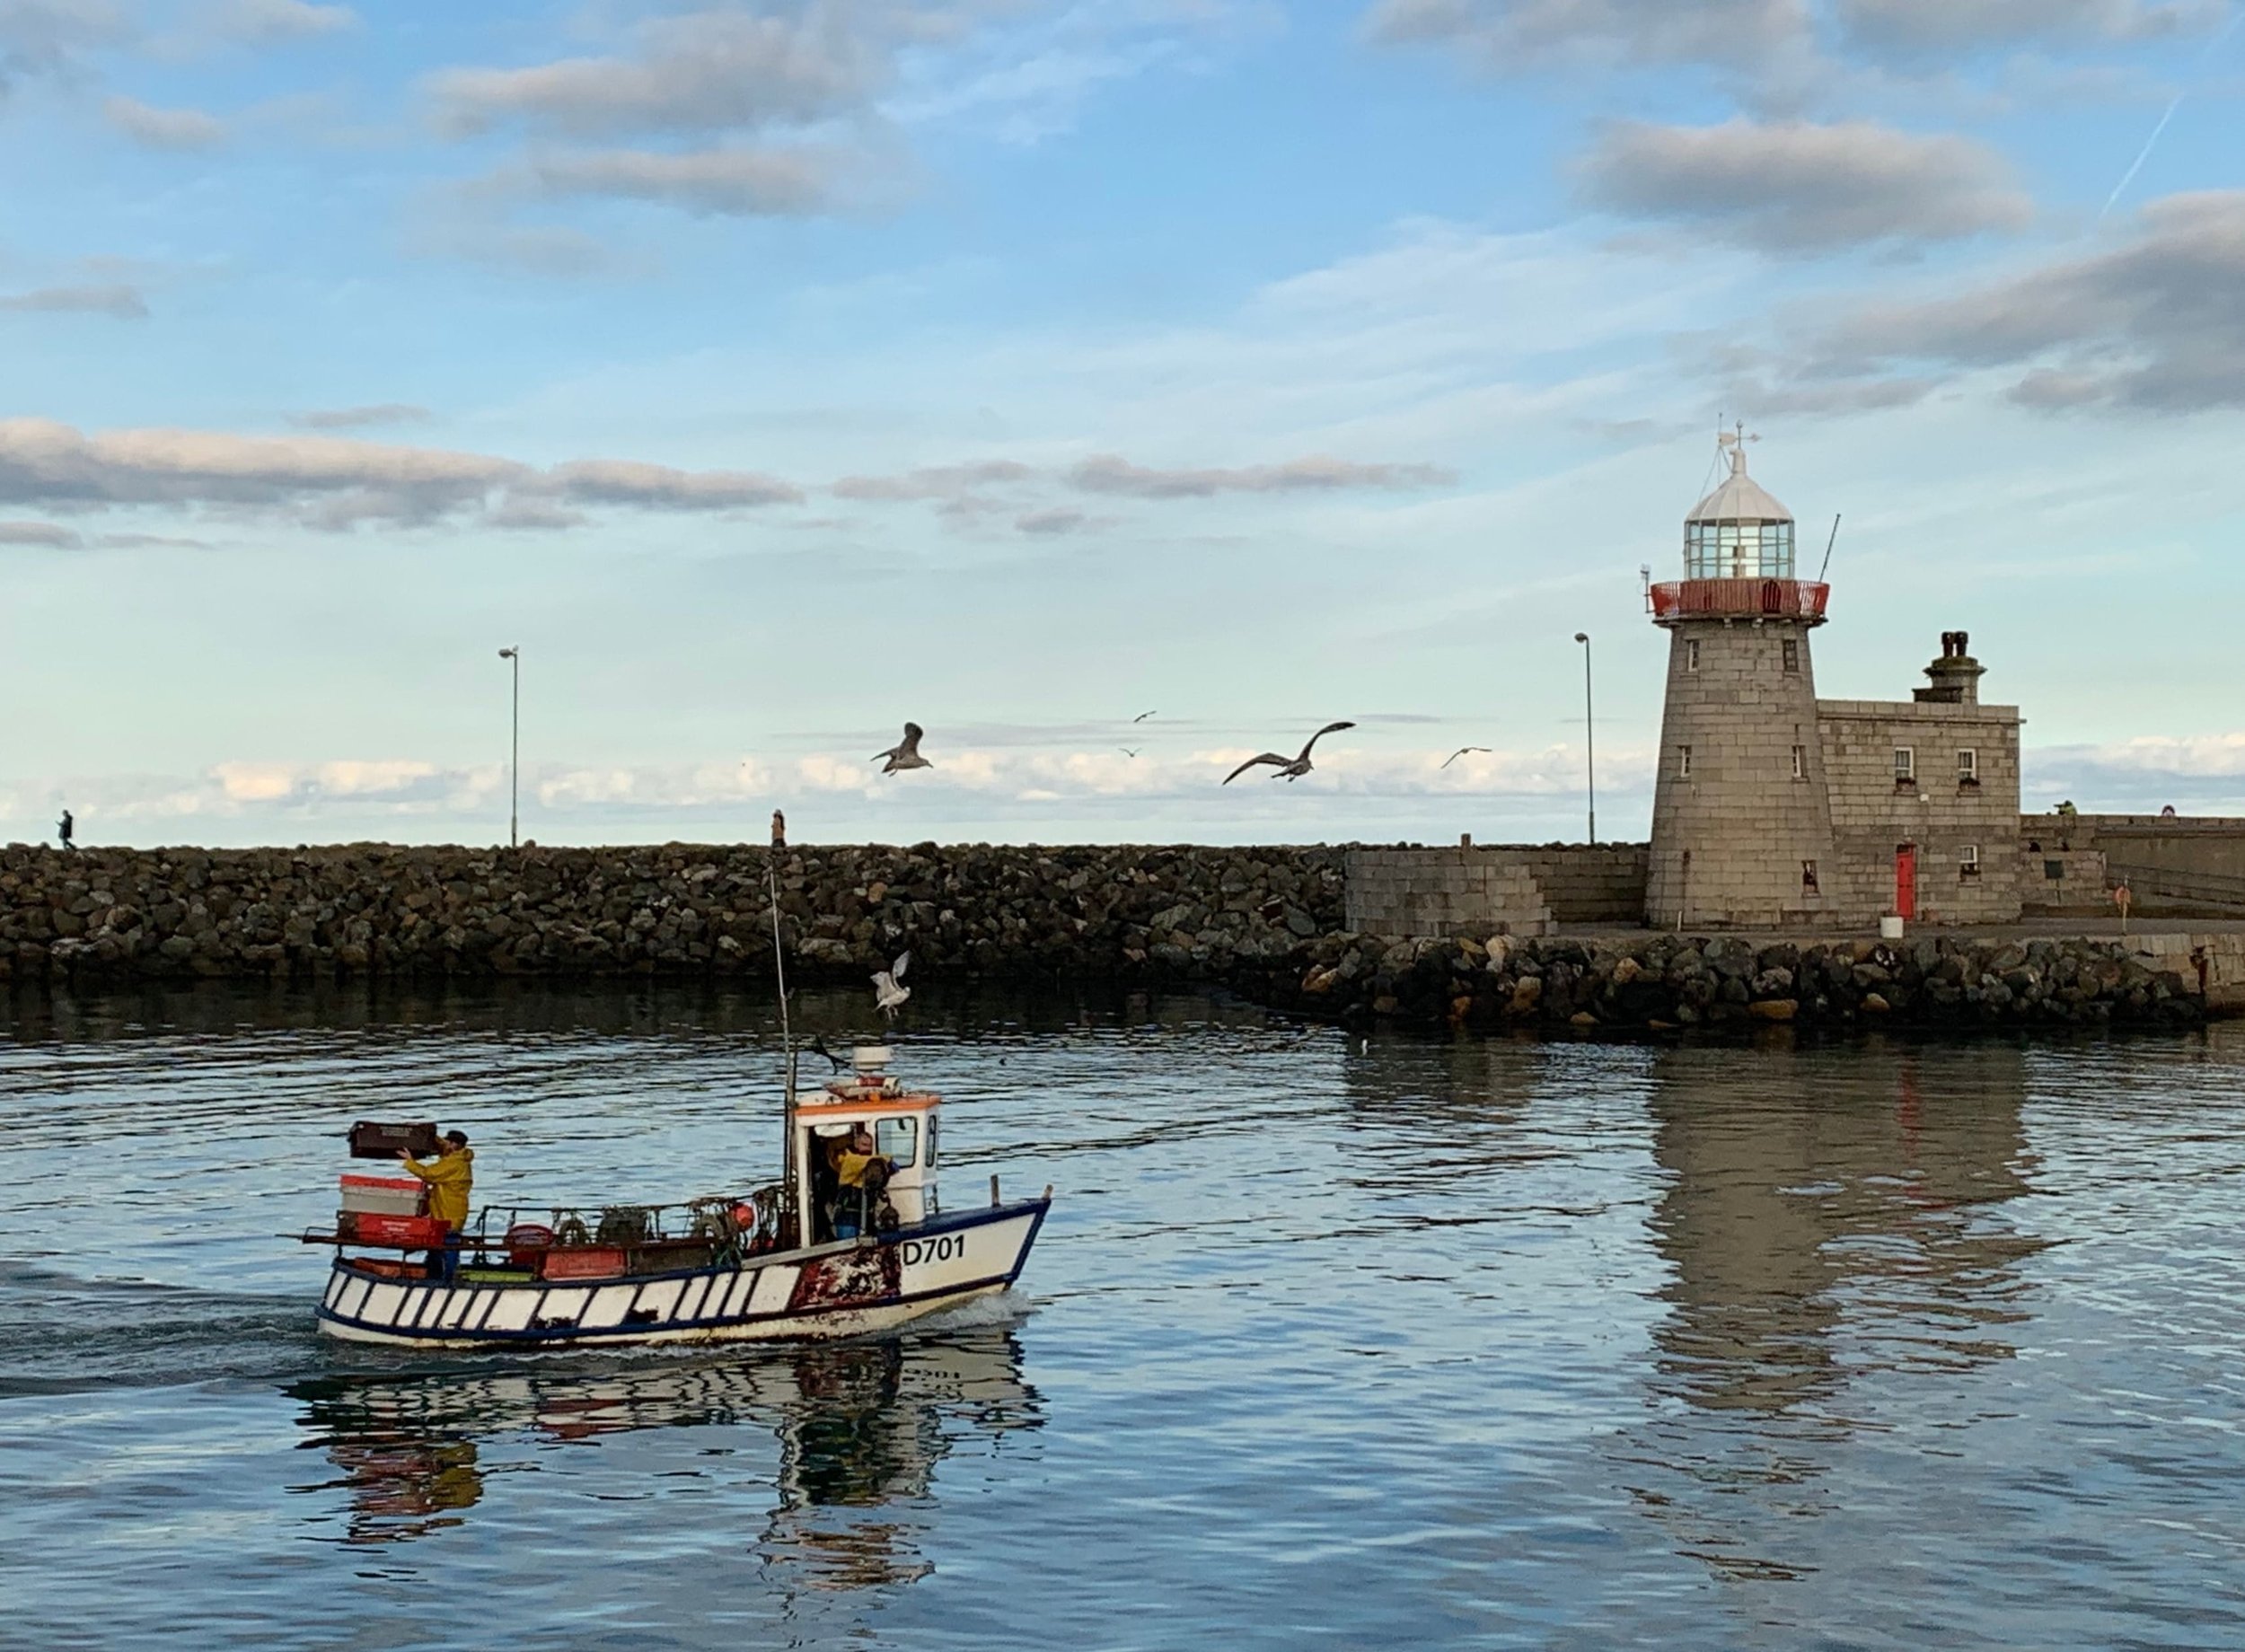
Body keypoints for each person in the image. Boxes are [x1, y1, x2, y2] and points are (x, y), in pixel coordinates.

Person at [400, 1130, 475, 1281]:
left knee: (449, 1246)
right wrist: (426, 1132)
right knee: (439, 1245)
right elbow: (441, 1145)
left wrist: (410, 1161)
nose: (444, 1145)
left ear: (455, 1145)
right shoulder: (458, 1157)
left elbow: (429, 1174)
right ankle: (435, 1274)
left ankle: (447, 1278)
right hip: (447, 1212)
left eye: (448, 1142)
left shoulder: (454, 1163)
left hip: (449, 1214)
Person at [830, 1126, 891, 1239]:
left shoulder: (868, 1165)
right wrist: (888, 1161)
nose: (867, 1149)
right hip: (848, 1218)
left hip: (865, 1216)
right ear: (856, 1145)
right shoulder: (851, 1160)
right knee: (847, 1251)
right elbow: (877, 1160)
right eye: (864, 1145)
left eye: (869, 1146)